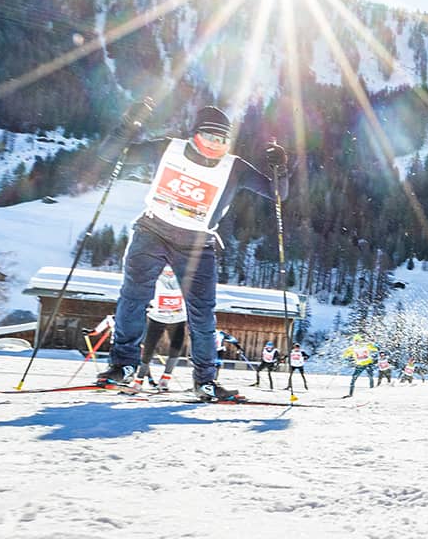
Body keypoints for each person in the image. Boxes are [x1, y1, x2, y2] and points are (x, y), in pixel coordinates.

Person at [93, 103, 290, 402]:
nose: (216, 144)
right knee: (134, 297)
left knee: (201, 314)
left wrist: (280, 169)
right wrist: (127, 125)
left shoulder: (233, 166)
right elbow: (110, 154)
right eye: (210, 136)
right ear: (194, 135)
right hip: (152, 231)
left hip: (197, 243)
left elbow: (278, 194)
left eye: (223, 139)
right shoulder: (168, 149)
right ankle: (123, 367)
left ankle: (205, 381)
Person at [138, 265, 187, 392]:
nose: (169, 275)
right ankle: (139, 379)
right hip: (157, 317)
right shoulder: (155, 277)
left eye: (171, 272)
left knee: (176, 348)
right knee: (148, 347)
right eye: (167, 272)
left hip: (178, 319)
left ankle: (165, 378)